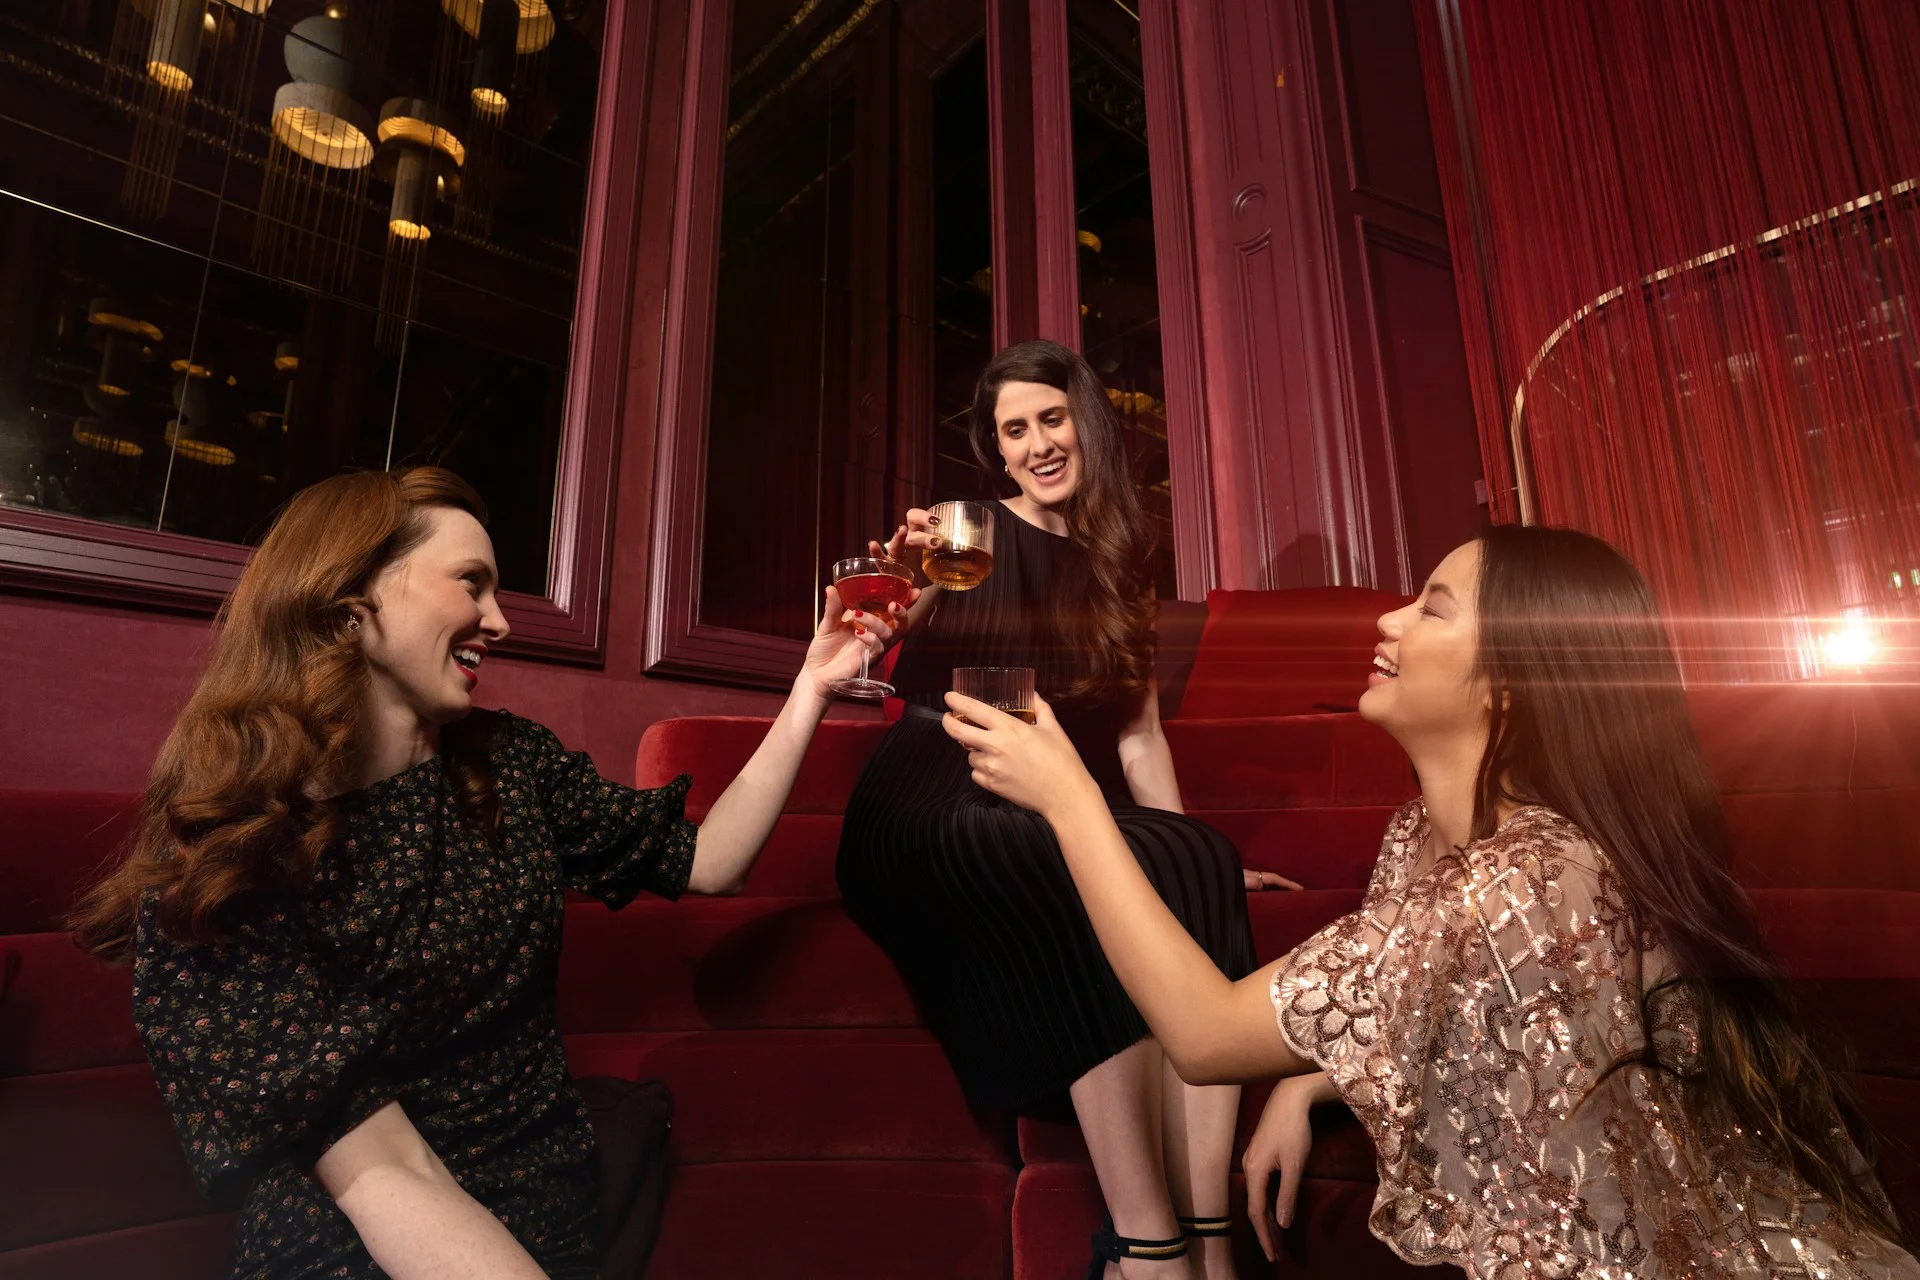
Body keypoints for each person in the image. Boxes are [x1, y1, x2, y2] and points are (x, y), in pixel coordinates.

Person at [945, 524, 1920, 1277]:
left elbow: (1205, 1032)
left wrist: (1071, 801)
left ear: (1508, 679)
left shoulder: (1526, 883)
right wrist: (1306, 1079)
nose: (1389, 620)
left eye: (1434, 608)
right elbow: (1423, 991)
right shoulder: (1427, 832)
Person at [70, 467, 914, 1280]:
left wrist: (811, 685)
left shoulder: (510, 766)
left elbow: (711, 861)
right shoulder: (229, 865)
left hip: (545, 1198)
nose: (500, 620)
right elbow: (388, 1173)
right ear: (352, 603)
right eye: (470, 583)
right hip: (362, 1231)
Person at [838, 339, 1295, 1280]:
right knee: (1066, 862)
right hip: (933, 784)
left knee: (1195, 857)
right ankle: (1147, 1245)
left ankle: (1209, 1234)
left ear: (1087, 423)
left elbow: (1137, 738)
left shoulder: (1122, 564)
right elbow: (895, 632)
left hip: (1043, 785)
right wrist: (908, 580)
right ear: (997, 452)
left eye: (1051, 418)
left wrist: (1188, 840)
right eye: (1015, 430)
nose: (1038, 442)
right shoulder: (964, 535)